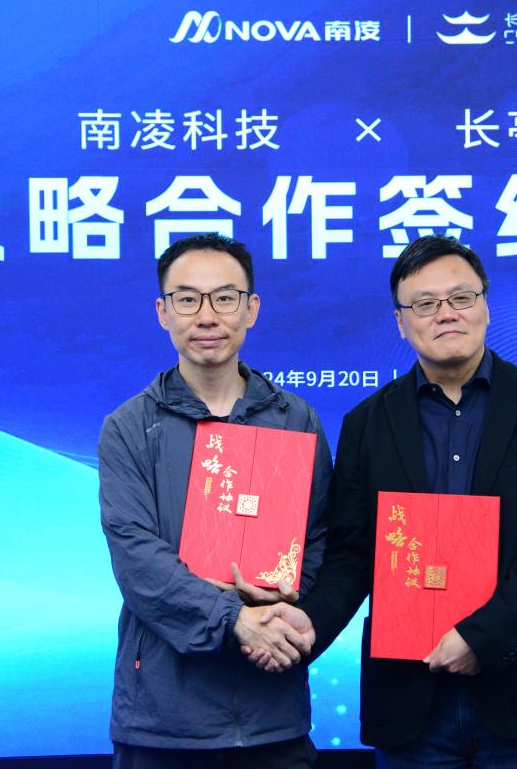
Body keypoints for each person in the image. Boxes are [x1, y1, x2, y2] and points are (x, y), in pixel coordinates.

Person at [258, 234, 517, 767]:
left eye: (461, 297)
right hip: (408, 699)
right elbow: (352, 554)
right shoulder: (368, 423)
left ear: (485, 306)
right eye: (425, 303)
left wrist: (480, 637)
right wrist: (309, 623)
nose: (446, 313)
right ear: (400, 322)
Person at [98, 233, 330, 769]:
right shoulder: (129, 428)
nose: (207, 316)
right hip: (163, 723)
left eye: (225, 298)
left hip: (273, 712)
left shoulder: (296, 419)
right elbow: (136, 558)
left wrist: (282, 615)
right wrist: (234, 620)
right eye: (187, 299)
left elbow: (319, 538)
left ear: (252, 309)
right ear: (163, 312)